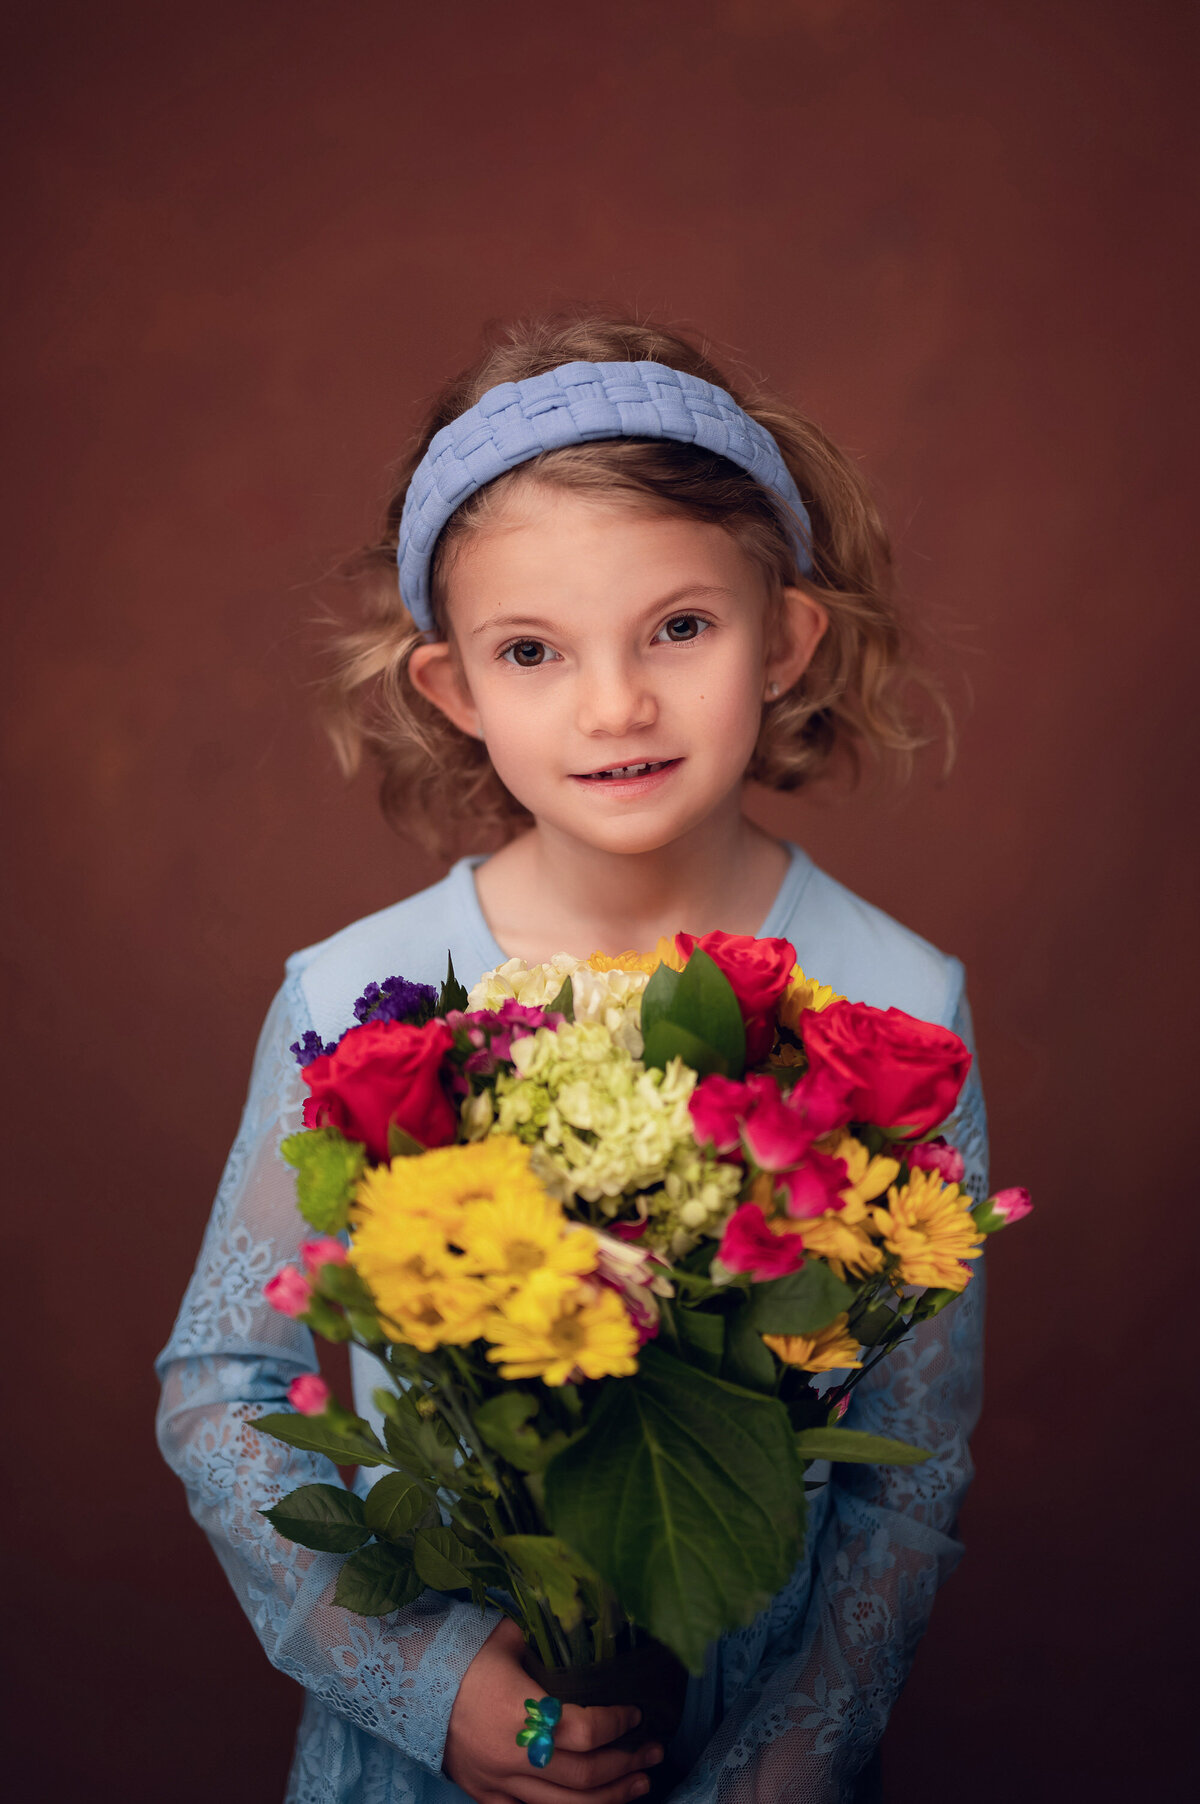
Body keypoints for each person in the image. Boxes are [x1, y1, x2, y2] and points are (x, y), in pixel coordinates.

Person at [156, 314, 988, 1804]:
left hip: (745, 1725)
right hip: (446, 1736)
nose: (616, 706)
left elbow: (906, 1473)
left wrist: (789, 1768)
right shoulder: (355, 1000)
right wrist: (432, 1680)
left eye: (680, 626)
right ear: (455, 691)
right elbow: (227, 1390)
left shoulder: (892, 1005)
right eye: (534, 651)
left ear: (786, 635)